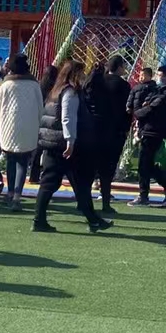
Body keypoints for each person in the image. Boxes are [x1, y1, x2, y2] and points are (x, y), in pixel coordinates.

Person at [32, 61, 109, 233]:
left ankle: (93, 220)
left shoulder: (55, 91)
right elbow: (68, 117)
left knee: (56, 182)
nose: (83, 76)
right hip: (66, 144)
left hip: (53, 141)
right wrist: (70, 141)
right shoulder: (71, 92)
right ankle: (40, 220)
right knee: (72, 182)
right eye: (81, 73)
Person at [0, 54, 42, 209]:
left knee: (10, 160)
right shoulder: (34, 85)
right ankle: (17, 196)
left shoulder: (6, 85)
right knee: (23, 161)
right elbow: (40, 108)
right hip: (29, 127)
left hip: (8, 127)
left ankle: (9, 193)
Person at [127, 64, 166, 206]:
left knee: (144, 163)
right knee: (146, 163)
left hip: (155, 130)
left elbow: (152, 107)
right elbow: (148, 101)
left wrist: (138, 113)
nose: (158, 78)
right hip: (149, 129)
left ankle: (145, 195)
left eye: (161, 75)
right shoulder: (158, 90)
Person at [87, 56, 132, 214]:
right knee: (108, 167)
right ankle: (105, 200)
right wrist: (126, 128)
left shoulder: (97, 81)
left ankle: (85, 201)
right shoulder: (124, 85)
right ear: (119, 67)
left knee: (90, 166)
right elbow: (127, 110)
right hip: (114, 130)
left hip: (94, 128)